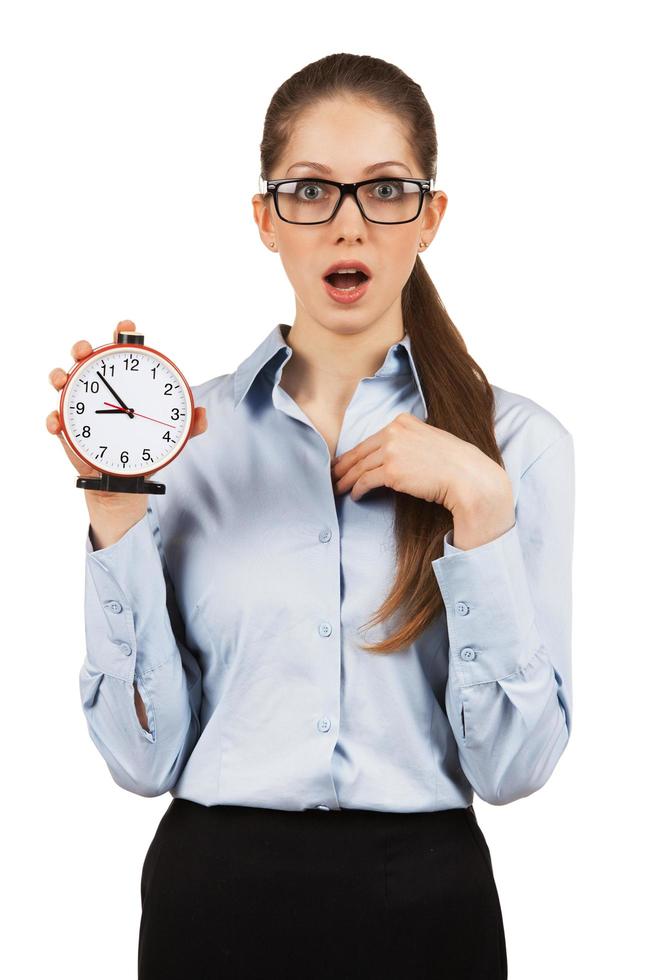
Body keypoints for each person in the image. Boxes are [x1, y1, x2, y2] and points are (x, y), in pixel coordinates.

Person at [46, 52, 574, 980]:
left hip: (430, 905)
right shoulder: (183, 440)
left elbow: (513, 769)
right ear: (265, 218)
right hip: (213, 902)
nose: (349, 225)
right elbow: (141, 759)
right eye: (310, 192)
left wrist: (482, 509)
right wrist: (114, 514)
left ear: (431, 217)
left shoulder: (517, 444)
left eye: (385, 192)